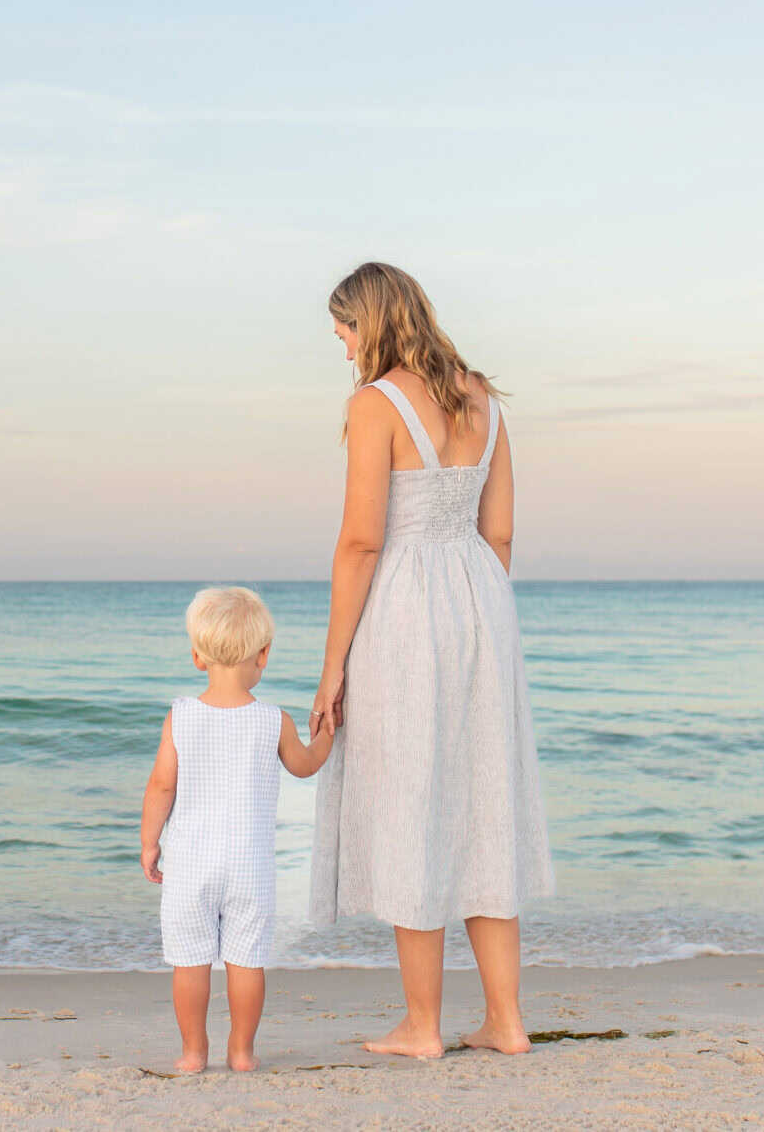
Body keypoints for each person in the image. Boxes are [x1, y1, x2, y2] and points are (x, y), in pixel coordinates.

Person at [308, 261, 554, 1059]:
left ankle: (423, 1024)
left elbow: (360, 540)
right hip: (484, 600)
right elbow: (503, 531)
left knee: (416, 799)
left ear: (372, 321)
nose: (341, 344)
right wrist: (479, 614)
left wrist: (332, 663)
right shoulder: (480, 393)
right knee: (486, 802)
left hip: (407, 605)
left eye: (345, 327)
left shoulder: (374, 404)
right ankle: (507, 1020)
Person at [140, 587, 332, 1073]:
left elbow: (161, 786)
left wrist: (149, 843)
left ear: (197, 656)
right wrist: (328, 729)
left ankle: (193, 1052)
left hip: (189, 864)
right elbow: (307, 766)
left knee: (191, 962)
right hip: (249, 866)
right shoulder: (274, 721)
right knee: (247, 963)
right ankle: (242, 1052)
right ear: (263, 655)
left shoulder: (181, 715)